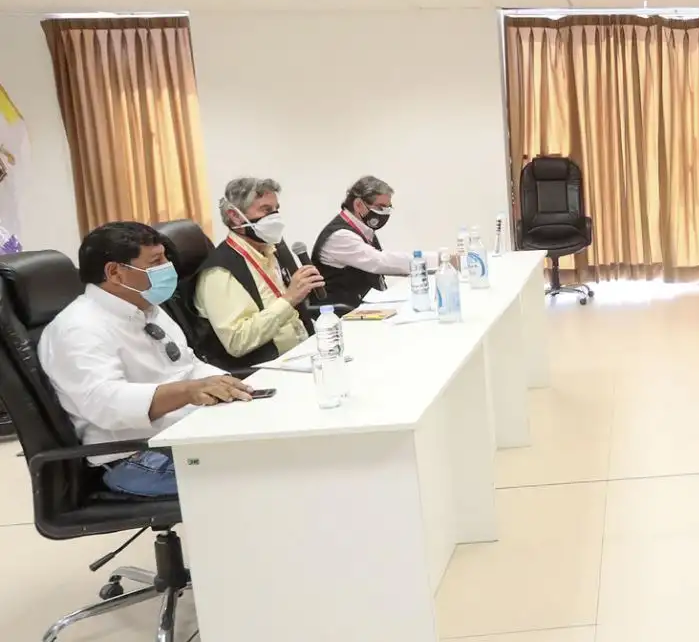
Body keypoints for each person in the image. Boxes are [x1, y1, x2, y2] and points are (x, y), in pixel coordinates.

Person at [39, 222, 254, 497]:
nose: (168, 267)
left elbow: (188, 365)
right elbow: (105, 404)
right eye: (156, 261)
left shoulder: (146, 306)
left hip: (183, 434)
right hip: (133, 457)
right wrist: (187, 392)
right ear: (115, 272)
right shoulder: (78, 328)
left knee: (282, 449)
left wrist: (231, 387)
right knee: (262, 473)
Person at [195, 176, 322, 370]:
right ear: (235, 216)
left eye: (276, 209)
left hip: (303, 353)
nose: (275, 217)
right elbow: (237, 342)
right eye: (266, 210)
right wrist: (289, 299)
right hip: (267, 369)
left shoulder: (270, 251)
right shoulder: (219, 272)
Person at [314, 174, 417, 311]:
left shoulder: (364, 229)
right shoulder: (340, 236)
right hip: (345, 313)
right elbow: (380, 262)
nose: (384, 214)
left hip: (366, 306)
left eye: (388, 208)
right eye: (380, 207)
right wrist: (436, 260)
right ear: (358, 205)